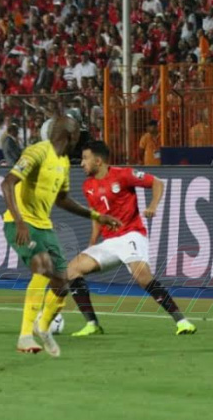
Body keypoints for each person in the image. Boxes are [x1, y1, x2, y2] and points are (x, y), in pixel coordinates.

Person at [1, 117, 121, 357]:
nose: (79, 140)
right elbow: (7, 184)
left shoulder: (63, 162)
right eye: (78, 135)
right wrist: (20, 221)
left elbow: (62, 200)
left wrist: (96, 216)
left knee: (62, 281)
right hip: (20, 223)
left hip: (44, 227)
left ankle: (43, 327)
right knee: (42, 265)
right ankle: (25, 335)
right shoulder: (37, 152)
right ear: (70, 135)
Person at [68, 141, 197, 337]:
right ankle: (92, 324)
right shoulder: (88, 186)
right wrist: (92, 243)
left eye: (85, 158)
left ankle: (182, 322)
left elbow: (157, 182)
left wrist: (153, 206)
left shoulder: (123, 175)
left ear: (98, 161)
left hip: (131, 234)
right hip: (110, 242)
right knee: (72, 270)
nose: (82, 163)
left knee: (142, 277)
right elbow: (97, 216)